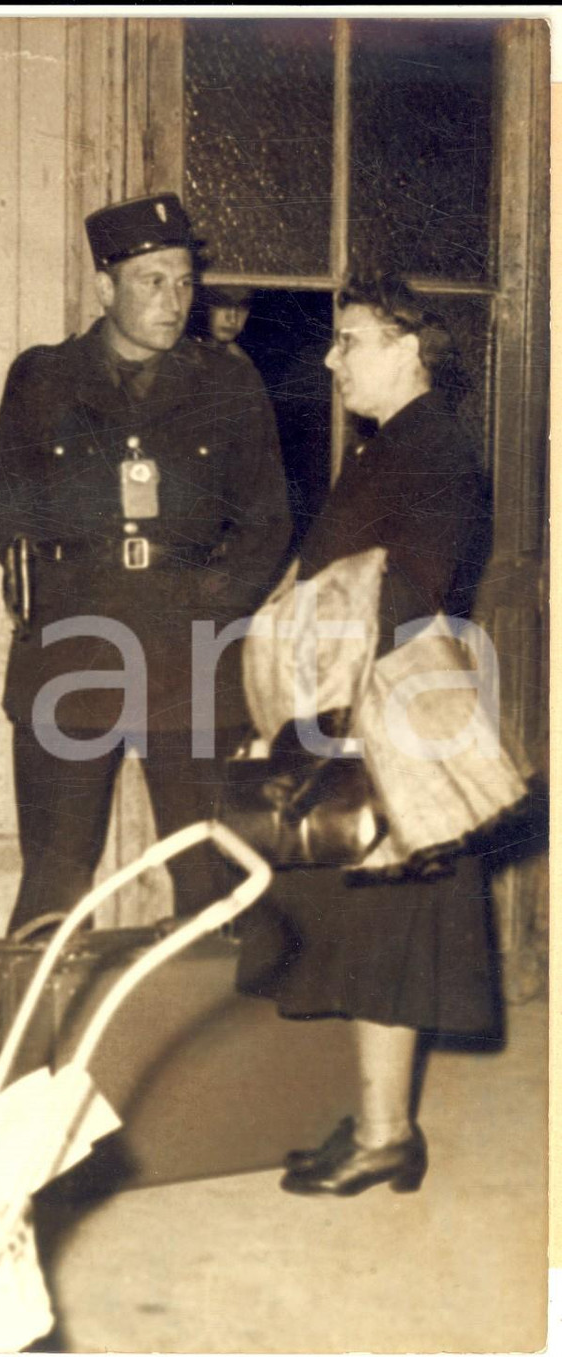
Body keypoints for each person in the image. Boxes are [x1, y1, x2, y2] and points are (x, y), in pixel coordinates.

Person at [236, 275, 528, 1197]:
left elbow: (400, 590)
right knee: (370, 927)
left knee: (394, 927)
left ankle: (386, 1135)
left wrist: (307, 710)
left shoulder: (432, 446)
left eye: (350, 339)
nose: (332, 358)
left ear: (407, 346)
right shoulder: (389, 446)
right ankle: (377, 1123)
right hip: (359, 706)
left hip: (392, 718)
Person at [0, 193, 292, 933]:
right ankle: (42, 1040)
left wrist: (213, 602)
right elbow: (7, 514)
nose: (174, 299)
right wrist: (62, 598)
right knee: (54, 877)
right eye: (152, 279)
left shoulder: (228, 383)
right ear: (105, 286)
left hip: (191, 651)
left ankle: (212, 1042)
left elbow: (267, 522)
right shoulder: (43, 378)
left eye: (184, 280)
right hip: (73, 650)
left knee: (210, 877)